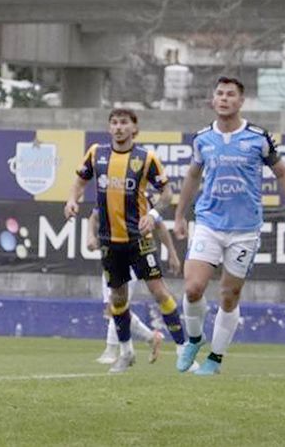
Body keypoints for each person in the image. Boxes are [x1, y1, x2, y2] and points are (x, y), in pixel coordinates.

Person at [173, 76, 285, 375]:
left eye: (230, 94)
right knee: (193, 288)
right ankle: (194, 339)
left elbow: (283, 173)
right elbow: (193, 176)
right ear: (213, 99)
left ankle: (215, 360)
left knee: (229, 295)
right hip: (208, 221)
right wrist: (180, 215)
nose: (224, 98)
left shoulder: (258, 138)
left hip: (245, 229)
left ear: (240, 101)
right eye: (219, 93)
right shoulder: (202, 138)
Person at [64, 108, 186, 373]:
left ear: (134, 129)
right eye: (114, 123)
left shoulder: (146, 158)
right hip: (110, 241)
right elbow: (79, 182)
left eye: (124, 123)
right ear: (109, 128)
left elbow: (166, 192)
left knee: (159, 292)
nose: (119, 127)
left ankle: (183, 351)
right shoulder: (96, 153)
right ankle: (126, 352)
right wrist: (72, 199)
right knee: (117, 300)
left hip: (138, 240)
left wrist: (153, 214)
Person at [84, 208, 181, 364]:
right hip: (111, 253)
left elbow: (160, 225)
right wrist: (90, 236)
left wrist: (172, 253)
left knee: (117, 304)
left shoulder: (140, 196)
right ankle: (151, 338)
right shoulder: (109, 190)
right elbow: (94, 216)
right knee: (112, 308)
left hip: (132, 255)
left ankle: (112, 350)